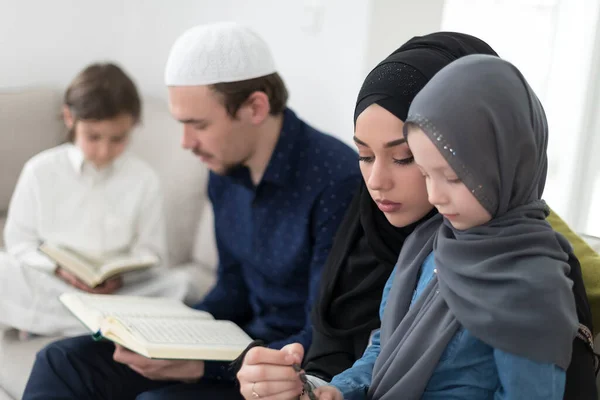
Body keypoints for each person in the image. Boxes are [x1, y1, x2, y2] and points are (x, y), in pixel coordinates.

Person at [237, 33, 597, 400]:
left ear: (500, 160)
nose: (435, 195)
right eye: (363, 154)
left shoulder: (531, 275)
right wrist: (328, 390)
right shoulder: (425, 244)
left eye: (406, 159)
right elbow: (382, 349)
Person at [22, 21, 361, 399]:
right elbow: (231, 288)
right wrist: (165, 335)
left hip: (281, 367)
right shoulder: (224, 167)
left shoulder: (336, 179)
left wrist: (203, 366)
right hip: (236, 344)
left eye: (197, 124)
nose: (185, 143)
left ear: (255, 107)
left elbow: (324, 335)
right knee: (61, 360)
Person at [0, 62, 192, 337]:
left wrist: (120, 278)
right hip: (56, 284)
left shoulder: (144, 178)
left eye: (118, 138)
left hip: (119, 291)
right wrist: (59, 270)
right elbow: (19, 244)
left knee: (182, 284)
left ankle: (59, 323)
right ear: (69, 118)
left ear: (133, 127)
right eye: (93, 137)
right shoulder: (40, 170)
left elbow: (154, 254)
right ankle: (102, 324)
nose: (104, 149)